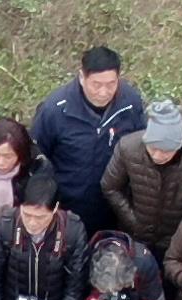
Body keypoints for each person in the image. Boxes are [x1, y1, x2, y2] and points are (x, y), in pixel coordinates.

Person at [33, 48, 144, 234]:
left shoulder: (130, 103)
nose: (103, 92)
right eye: (96, 84)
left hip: (114, 203)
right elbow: (37, 154)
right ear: (82, 77)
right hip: (69, 205)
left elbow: (141, 145)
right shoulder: (55, 109)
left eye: (111, 84)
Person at [102, 99, 182, 263]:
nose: (157, 156)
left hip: (180, 242)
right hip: (137, 237)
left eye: (166, 151)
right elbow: (110, 186)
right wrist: (133, 220)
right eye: (153, 148)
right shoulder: (128, 148)